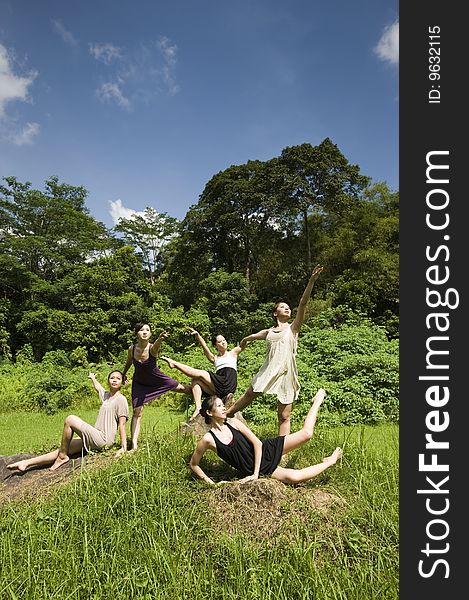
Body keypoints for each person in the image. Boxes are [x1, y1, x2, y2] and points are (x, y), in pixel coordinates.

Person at [226, 264, 323, 436]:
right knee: (249, 394)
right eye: (282, 307)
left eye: (288, 307)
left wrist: (312, 281)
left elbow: (303, 304)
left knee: (284, 415)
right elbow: (252, 336)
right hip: (270, 369)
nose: (287, 308)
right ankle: (228, 414)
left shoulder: (293, 328)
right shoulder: (269, 332)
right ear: (275, 313)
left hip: (286, 372)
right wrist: (243, 342)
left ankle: (282, 450)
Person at [190, 388, 342, 485]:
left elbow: (257, 443)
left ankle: (318, 400)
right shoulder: (208, 440)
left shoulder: (234, 422)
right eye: (218, 406)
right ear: (210, 412)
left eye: (223, 405)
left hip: (265, 451)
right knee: (295, 478)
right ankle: (330, 461)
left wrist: (255, 474)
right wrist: (212, 483)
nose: (224, 407)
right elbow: (194, 464)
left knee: (307, 434)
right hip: (259, 468)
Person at [7, 371, 129, 472]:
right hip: (95, 436)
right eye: (112, 378)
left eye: (118, 378)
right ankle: (26, 463)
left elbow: (122, 425)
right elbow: (98, 388)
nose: (114, 380)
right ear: (108, 381)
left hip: (104, 440)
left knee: (70, 419)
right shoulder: (106, 396)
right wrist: (92, 378)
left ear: (122, 382)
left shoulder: (121, 400)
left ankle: (62, 457)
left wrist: (123, 448)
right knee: (64, 447)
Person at [121, 322, 192, 450]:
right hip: (139, 382)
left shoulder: (152, 348)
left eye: (147, 330)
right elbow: (129, 362)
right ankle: (134, 445)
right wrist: (123, 374)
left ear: (150, 334)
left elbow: (156, 348)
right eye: (141, 330)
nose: (144, 332)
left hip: (157, 379)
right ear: (136, 333)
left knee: (182, 388)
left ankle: (202, 391)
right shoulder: (131, 349)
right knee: (137, 412)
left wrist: (160, 339)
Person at [160, 328, 244, 421]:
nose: (223, 342)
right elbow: (205, 347)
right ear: (215, 345)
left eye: (224, 340)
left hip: (228, 383)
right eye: (220, 341)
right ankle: (198, 407)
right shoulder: (215, 358)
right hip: (218, 387)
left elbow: (244, 343)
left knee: (202, 374)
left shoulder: (233, 353)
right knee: (195, 381)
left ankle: (174, 364)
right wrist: (198, 336)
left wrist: (254, 337)